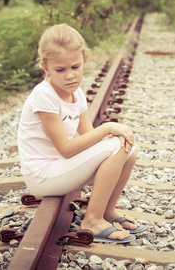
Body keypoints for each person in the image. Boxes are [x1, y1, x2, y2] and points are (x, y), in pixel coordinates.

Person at [17, 23, 145, 243]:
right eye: (60, 70)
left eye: (75, 67)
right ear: (45, 67)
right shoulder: (44, 95)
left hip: (61, 169)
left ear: (84, 60)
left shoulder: (77, 94)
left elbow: (90, 137)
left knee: (128, 148)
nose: (69, 76)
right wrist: (108, 127)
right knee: (115, 145)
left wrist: (117, 136)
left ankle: (106, 211)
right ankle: (92, 221)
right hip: (43, 175)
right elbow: (66, 150)